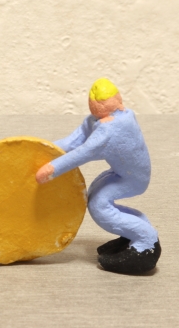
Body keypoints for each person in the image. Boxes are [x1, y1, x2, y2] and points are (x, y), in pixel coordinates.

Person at [35, 78, 161, 274]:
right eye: (93, 102)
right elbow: (73, 141)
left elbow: (84, 152)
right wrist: (40, 151)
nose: (94, 104)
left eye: (100, 102)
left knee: (99, 205)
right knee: (95, 195)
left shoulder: (111, 130)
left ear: (117, 101)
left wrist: (52, 169)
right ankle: (134, 233)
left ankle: (146, 243)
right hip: (120, 173)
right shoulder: (98, 120)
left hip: (132, 179)